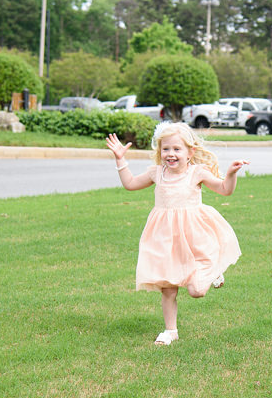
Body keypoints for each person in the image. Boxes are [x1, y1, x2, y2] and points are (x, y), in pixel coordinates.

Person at [106, 122, 249, 345]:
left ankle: (213, 272)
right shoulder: (156, 173)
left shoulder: (197, 172)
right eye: (166, 149)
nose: (170, 154)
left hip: (194, 235)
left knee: (197, 291)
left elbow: (224, 190)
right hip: (164, 238)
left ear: (190, 152)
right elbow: (131, 184)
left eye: (176, 149)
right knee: (168, 288)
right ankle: (170, 330)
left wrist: (231, 174)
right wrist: (119, 159)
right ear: (159, 151)